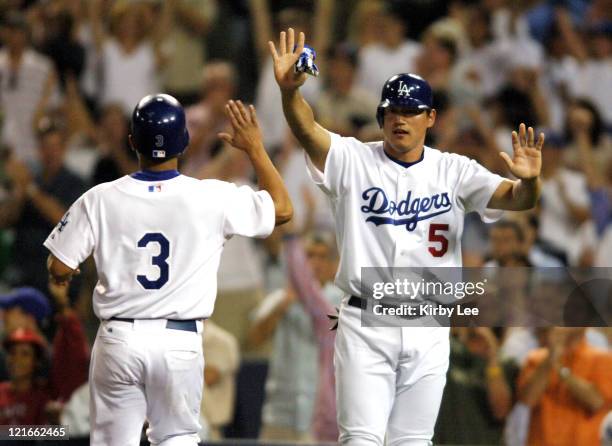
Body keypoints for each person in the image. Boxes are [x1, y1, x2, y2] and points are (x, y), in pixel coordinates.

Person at [269, 28, 544, 445]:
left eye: (411, 110)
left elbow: (518, 200)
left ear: (430, 118)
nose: (400, 118)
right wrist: (291, 95)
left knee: (413, 442)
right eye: (392, 110)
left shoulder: (454, 169)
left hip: (430, 323)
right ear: (381, 116)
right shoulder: (354, 158)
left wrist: (531, 183)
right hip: (366, 320)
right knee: (360, 439)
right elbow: (308, 130)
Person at [43, 94, 292, 446]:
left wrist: (62, 275)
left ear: (132, 142)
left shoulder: (99, 198)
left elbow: (60, 264)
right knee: (176, 439)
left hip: (119, 339)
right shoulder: (211, 196)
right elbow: (282, 208)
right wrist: (254, 148)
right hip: (179, 339)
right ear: (185, 142)